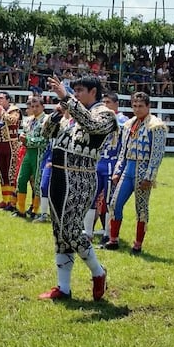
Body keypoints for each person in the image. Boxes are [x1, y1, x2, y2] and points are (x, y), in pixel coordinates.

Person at [37, 76, 116, 301]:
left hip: (80, 178)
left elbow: (92, 126)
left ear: (93, 92)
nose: (76, 94)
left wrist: (67, 99)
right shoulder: (71, 115)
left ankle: (98, 272)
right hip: (59, 176)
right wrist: (57, 113)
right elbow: (46, 134)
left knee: (70, 230)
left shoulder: (105, 114)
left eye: (80, 90)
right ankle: (63, 287)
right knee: (60, 232)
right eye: (75, 91)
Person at [105, 92, 167, 254]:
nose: (137, 109)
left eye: (141, 106)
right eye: (134, 106)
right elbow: (123, 151)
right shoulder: (129, 124)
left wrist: (150, 177)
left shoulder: (156, 125)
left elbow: (157, 154)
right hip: (128, 169)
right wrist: (118, 170)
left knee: (141, 208)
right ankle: (113, 239)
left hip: (143, 170)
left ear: (148, 106)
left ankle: (138, 243)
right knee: (114, 203)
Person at [88, 93, 125, 245]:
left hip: (112, 163)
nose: (105, 105)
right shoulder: (98, 118)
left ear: (116, 104)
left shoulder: (123, 121)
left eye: (108, 102)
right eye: (103, 102)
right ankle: (87, 232)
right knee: (90, 197)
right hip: (97, 162)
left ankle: (108, 234)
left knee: (110, 201)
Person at [12, 95, 48, 219]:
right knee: (21, 180)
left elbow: (45, 140)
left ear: (43, 107)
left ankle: (35, 210)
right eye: (32, 106)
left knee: (37, 183)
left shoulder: (46, 120)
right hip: (28, 152)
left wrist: (28, 139)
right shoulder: (29, 120)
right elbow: (25, 133)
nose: (35, 108)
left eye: (37, 106)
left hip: (40, 153)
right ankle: (21, 209)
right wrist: (23, 137)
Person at [0, 91, 22, 210]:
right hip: (1, 145)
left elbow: (13, 120)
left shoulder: (15, 110)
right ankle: (5, 199)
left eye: (1, 98)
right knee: (2, 173)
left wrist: (2, 112)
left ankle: (12, 201)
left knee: (11, 173)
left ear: (8, 100)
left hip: (12, 145)